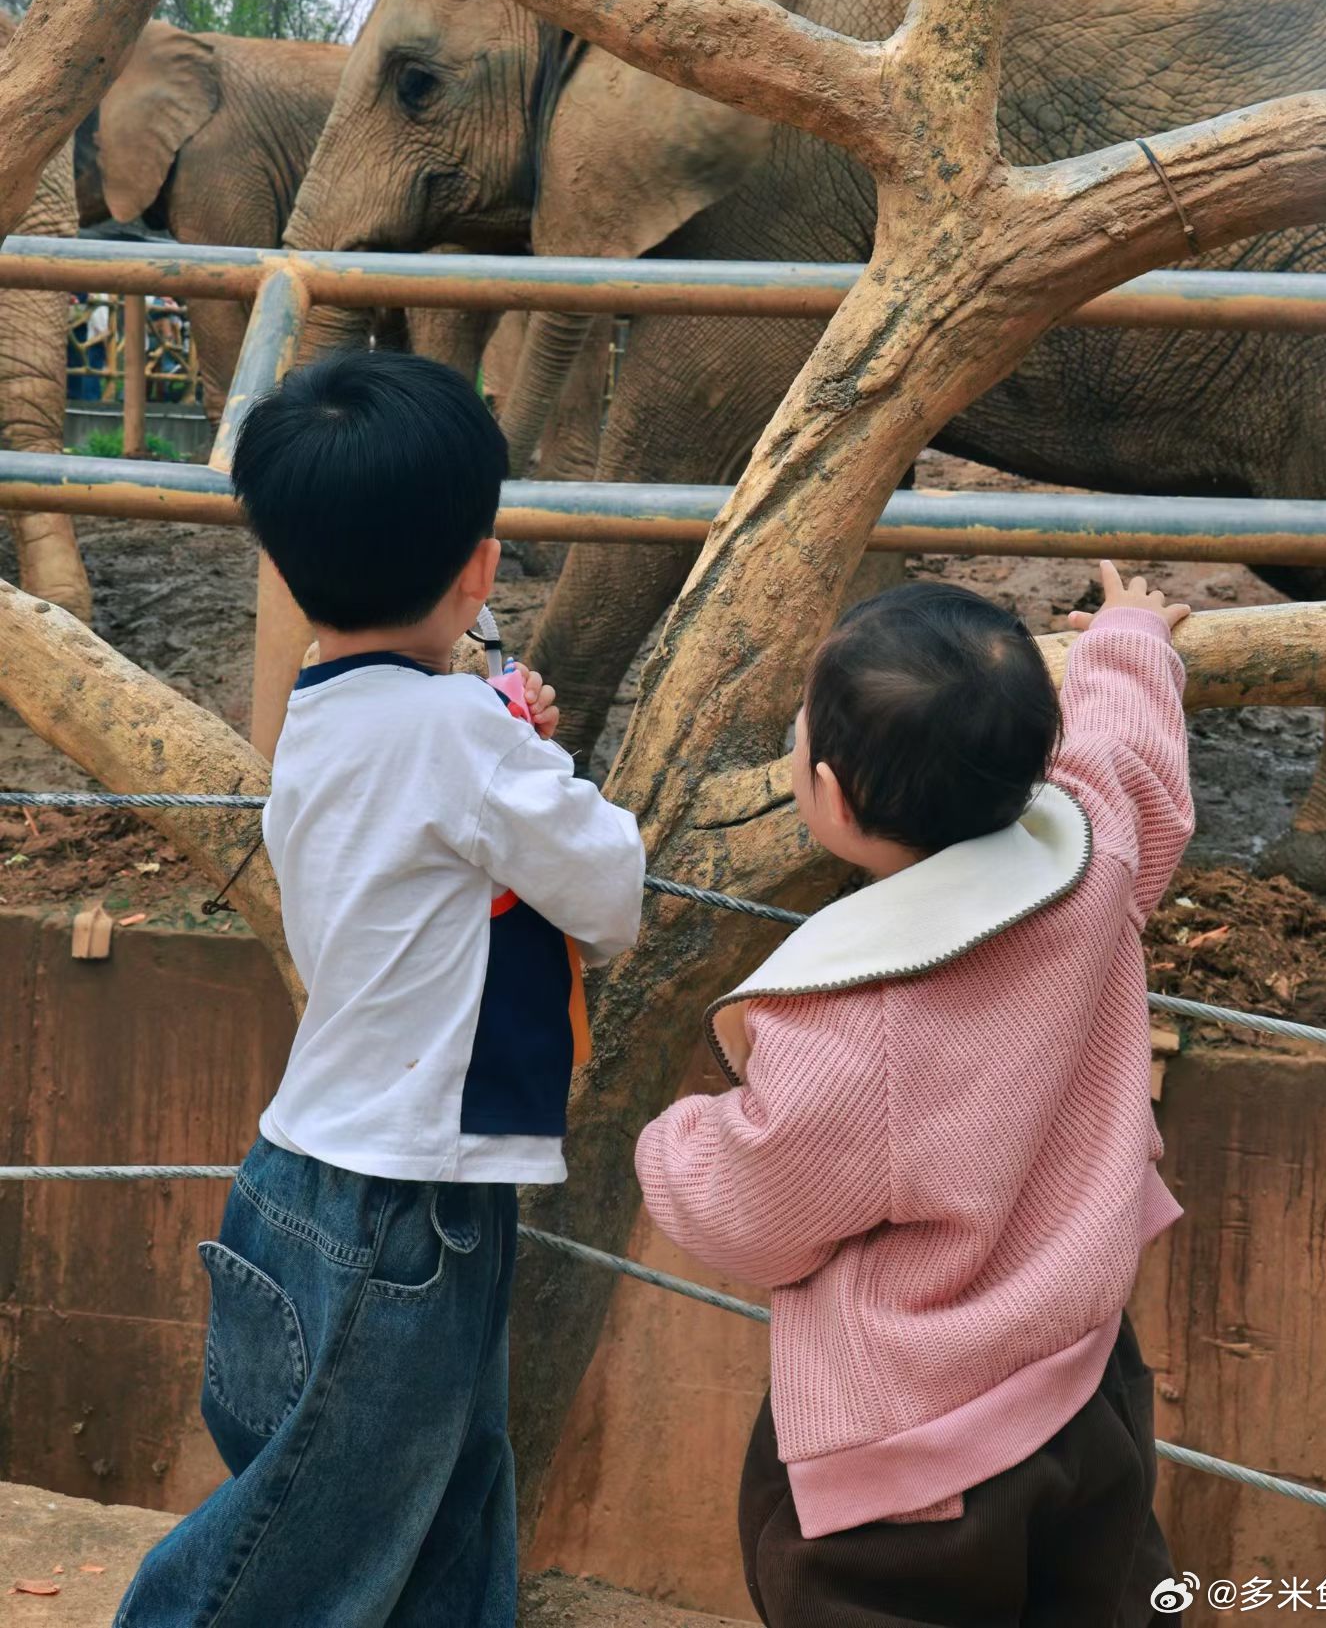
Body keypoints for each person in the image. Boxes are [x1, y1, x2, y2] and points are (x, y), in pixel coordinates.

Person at [118, 350, 646, 1628]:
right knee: (289, 1572)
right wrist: (529, 749)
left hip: (307, 1184)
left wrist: (500, 731)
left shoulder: (328, 712)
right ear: (479, 564)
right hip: (401, 1219)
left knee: (438, 1541)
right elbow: (612, 892)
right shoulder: (460, 733)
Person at [637, 560, 1193, 1628]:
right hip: (1086, 1374)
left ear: (831, 797)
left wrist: (677, 1141)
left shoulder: (850, 1016)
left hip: (918, 1464)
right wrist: (1127, 640)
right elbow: (1128, 749)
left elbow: (757, 1214)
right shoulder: (1093, 844)